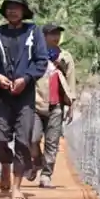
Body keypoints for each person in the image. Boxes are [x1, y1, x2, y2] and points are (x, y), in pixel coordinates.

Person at [0, 0, 48, 199]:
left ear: (23, 11)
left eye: (17, 7)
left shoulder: (34, 33)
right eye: (9, 7)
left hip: (25, 95)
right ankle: (5, 164)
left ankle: (17, 186)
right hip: (2, 96)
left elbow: (41, 61)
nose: (13, 11)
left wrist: (26, 79)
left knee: (23, 140)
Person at [32, 23, 77, 188]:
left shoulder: (65, 57)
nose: (56, 37)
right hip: (35, 103)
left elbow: (71, 81)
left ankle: (46, 175)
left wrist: (71, 105)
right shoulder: (34, 54)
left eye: (57, 34)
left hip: (56, 104)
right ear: (43, 36)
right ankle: (36, 159)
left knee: (52, 142)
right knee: (32, 138)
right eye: (52, 34)